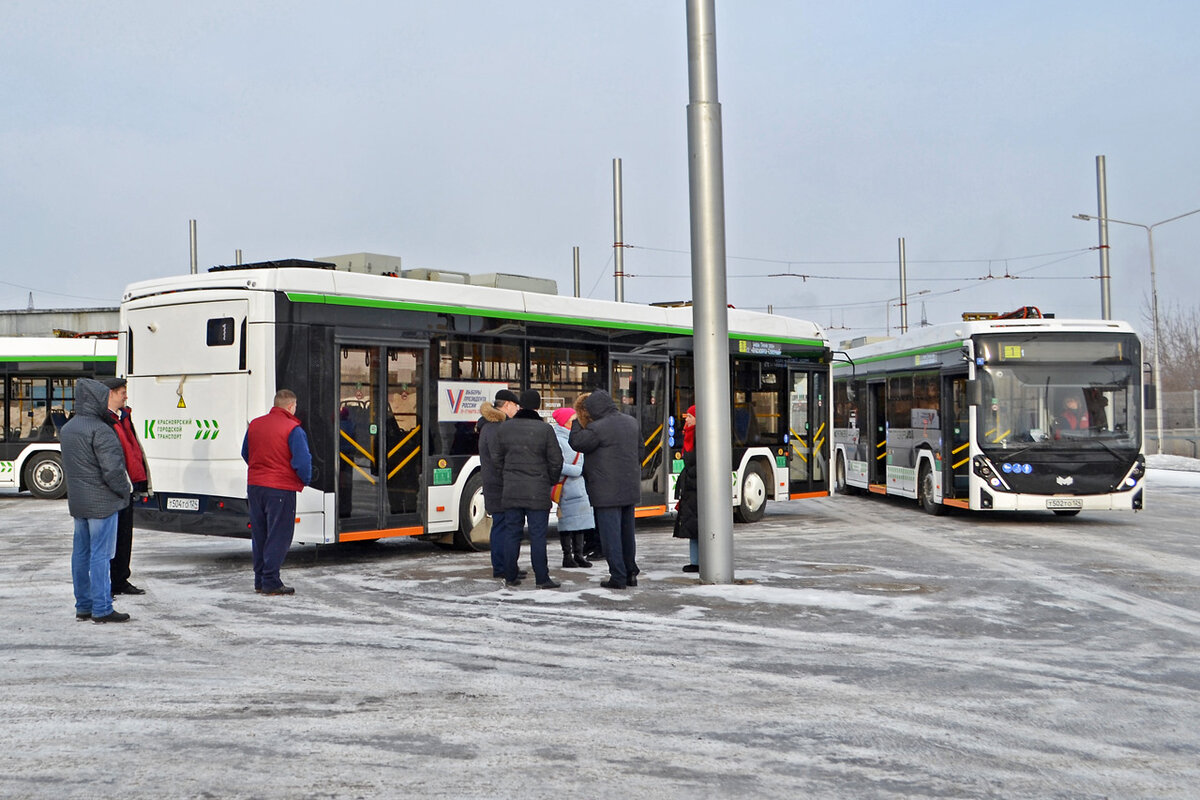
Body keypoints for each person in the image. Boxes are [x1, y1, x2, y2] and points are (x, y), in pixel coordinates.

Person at [60, 377, 133, 623]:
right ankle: (102, 608)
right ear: (96, 399)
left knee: (80, 553)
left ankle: (83, 605)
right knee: (101, 555)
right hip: (102, 503)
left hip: (79, 502)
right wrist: (124, 492)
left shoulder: (68, 428)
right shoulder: (101, 429)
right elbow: (113, 470)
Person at [241, 389, 312, 595]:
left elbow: (246, 452)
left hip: (255, 487)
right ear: (291, 406)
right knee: (279, 535)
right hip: (280, 489)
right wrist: (304, 479)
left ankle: (260, 580)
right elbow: (302, 461)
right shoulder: (293, 429)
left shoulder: (255, 424)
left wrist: (259, 470)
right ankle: (271, 581)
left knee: (260, 534)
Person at [490, 389, 563, 589]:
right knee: (537, 536)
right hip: (538, 492)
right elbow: (556, 461)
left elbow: (496, 458)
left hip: (512, 490)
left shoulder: (505, 428)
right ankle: (542, 578)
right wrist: (549, 481)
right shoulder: (545, 430)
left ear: (521, 405)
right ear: (538, 406)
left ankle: (511, 575)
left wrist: (508, 475)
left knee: (512, 533)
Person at [569, 389, 640, 590]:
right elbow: (640, 451)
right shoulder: (631, 422)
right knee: (627, 534)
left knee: (611, 536)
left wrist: (576, 420)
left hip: (606, 491)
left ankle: (617, 577)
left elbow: (576, 442)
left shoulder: (597, 428)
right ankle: (630, 573)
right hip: (629, 487)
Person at [103, 377, 150, 596]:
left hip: (128, 486)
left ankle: (121, 579)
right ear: (111, 393)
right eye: (122, 392)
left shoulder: (124, 417)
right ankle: (109, 583)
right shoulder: (105, 420)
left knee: (124, 537)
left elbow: (132, 449)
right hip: (113, 488)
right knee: (110, 539)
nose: (126, 396)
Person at [476, 388, 526, 580]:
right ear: (506, 405)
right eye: (515, 405)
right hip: (500, 485)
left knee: (504, 526)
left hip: (496, 484)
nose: (517, 408)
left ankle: (507, 565)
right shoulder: (496, 428)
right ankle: (502, 567)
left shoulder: (490, 425)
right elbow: (499, 460)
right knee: (502, 526)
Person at [550, 406, 593, 569]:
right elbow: (556, 465)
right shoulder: (557, 440)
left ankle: (579, 555)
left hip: (580, 488)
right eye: (573, 420)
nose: (576, 422)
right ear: (565, 422)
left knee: (580, 523)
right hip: (567, 488)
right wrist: (579, 470)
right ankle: (567, 556)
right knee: (567, 524)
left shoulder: (576, 436)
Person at [673, 405, 700, 573]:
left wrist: (691, 474)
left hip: (696, 487)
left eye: (689, 416)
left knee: (698, 526)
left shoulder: (700, 436)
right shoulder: (690, 435)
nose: (686, 420)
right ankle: (695, 561)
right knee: (693, 526)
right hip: (691, 488)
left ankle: (699, 561)